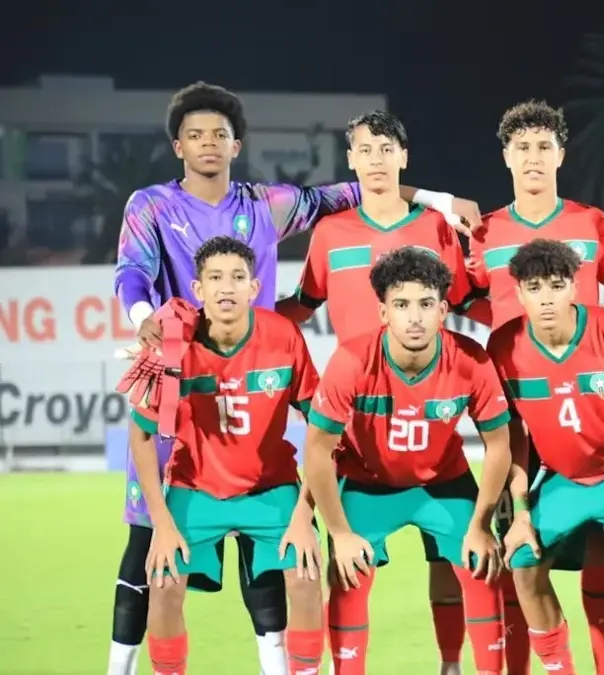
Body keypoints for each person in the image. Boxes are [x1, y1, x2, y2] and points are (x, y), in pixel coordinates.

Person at [109, 81, 478, 675]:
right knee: (148, 552)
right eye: (196, 135)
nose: (208, 143)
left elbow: (358, 187)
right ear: (178, 145)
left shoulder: (265, 204)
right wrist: (142, 318)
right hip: (181, 378)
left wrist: (438, 199)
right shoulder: (150, 205)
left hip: (256, 389)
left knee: (288, 562)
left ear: (237, 144)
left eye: (220, 134)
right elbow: (131, 270)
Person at [274, 109, 475, 675]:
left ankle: (451, 665)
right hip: (358, 427)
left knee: (453, 562)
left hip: (431, 424)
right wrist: (229, 324)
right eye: (365, 150)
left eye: (387, 149)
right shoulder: (331, 233)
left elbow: (464, 301)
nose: (377, 159)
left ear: (403, 157)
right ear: (352, 159)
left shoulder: (436, 228)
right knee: (349, 568)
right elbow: (302, 306)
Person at [466, 100, 604, 674]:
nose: (533, 157)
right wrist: (508, 339)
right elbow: (463, 298)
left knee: (598, 544)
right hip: (515, 408)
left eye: (543, 147)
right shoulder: (485, 231)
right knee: (517, 548)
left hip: (586, 407)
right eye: (522, 148)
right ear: (506, 157)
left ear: (561, 154)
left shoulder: (591, 223)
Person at [302, 248, 511, 675]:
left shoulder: (471, 359)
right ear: (383, 312)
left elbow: (499, 446)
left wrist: (480, 524)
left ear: (443, 311)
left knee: (483, 567)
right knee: (347, 576)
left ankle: (455, 667)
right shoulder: (352, 361)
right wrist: (339, 533)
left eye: (426, 304)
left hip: (443, 483)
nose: (414, 317)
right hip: (368, 483)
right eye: (401, 305)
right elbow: (318, 451)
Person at [127, 236, 325, 675]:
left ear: (254, 288)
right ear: (198, 289)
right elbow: (140, 435)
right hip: (195, 487)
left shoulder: (283, 337)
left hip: (271, 487)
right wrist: (161, 524)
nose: (226, 287)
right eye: (215, 278)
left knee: (307, 576)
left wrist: (304, 514)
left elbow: (322, 427)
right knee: (162, 584)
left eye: (237, 277)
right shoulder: (174, 346)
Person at [488, 239, 604, 675]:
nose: (546, 298)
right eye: (534, 288)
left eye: (556, 286)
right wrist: (520, 511)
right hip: (569, 479)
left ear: (574, 287)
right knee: (523, 564)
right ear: (518, 293)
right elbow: (512, 433)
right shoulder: (503, 346)